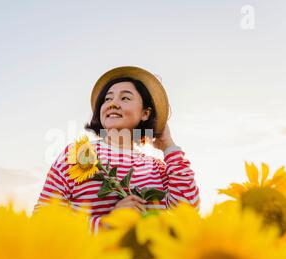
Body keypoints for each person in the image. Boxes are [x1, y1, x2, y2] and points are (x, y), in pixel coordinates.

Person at [34, 66, 200, 233]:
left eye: (125, 98)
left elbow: (186, 213)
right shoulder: (78, 154)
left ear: (145, 113)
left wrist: (169, 146)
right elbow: (43, 218)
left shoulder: (156, 167)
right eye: (107, 99)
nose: (112, 103)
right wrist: (107, 224)